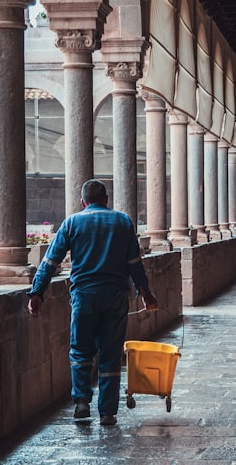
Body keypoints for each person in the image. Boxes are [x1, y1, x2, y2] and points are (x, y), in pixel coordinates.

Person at [27, 179, 158, 425]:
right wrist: (146, 293)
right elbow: (135, 265)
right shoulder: (123, 221)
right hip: (115, 297)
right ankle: (107, 412)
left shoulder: (72, 222)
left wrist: (37, 292)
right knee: (110, 354)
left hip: (84, 297)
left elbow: (50, 262)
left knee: (80, 351)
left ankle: (82, 403)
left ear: (82, 202)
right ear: (106, 200)